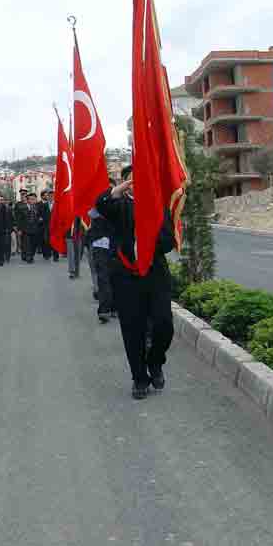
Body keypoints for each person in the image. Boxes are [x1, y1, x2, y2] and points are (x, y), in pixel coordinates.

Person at [96, 165, 175, 400]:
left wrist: (150, 241)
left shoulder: (159, 206)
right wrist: (120, 188)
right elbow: (101, 204)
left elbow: (169, 240)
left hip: (155, 273)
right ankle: (139, 378)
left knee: (164, 325)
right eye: (131, 180)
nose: (136, 183)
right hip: (126, 276)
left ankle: (155, 362)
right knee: (133, 329)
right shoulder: (118, 206)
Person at [87, 202, 116, 324]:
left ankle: (114, 307)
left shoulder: (121, 203)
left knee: (114, 277)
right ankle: (104, 310)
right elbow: (91, 213)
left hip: (116, 246)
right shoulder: (98, 205)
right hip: (99, 245)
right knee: (103, 278)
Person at [22, 193, 43, 263]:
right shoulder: (23, 208)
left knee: (34, 244)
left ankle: (31, 255)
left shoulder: (38, 207)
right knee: (27, 244)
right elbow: (19, 219)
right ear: (28, 200)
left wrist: (40, 219)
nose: (33, 200)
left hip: (35, 229)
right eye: (31, 199)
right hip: (26, 229)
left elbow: (41, 216)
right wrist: (19, 228)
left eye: (34, 199)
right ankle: (29, 257)